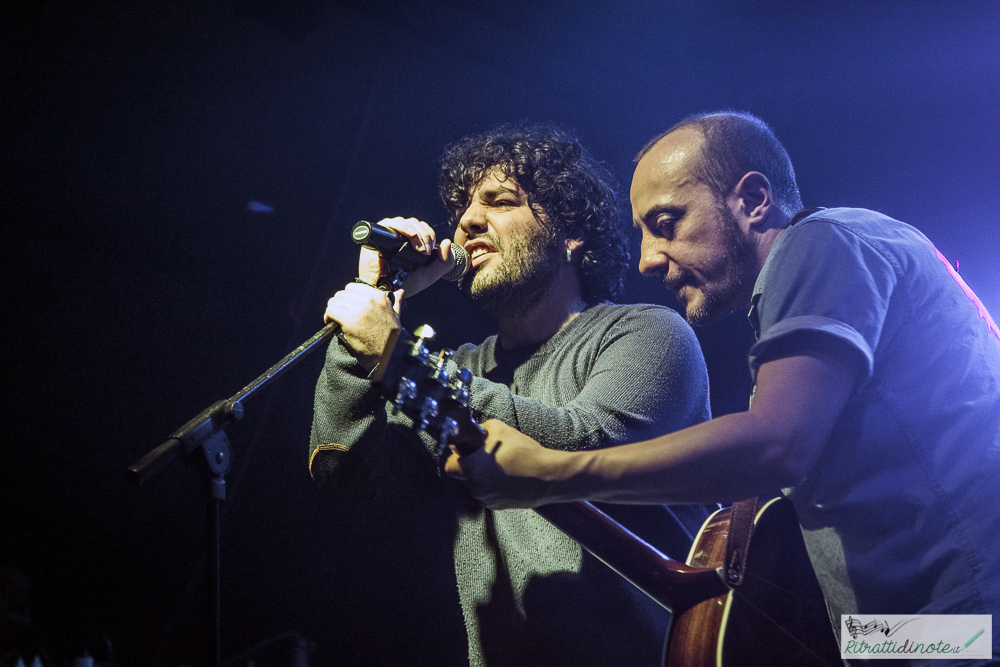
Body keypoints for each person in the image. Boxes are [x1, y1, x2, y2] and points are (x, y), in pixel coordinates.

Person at [445, 112, 1000, 665]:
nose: (646, 259)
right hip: (926, 633)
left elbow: (775, 444)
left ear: (754, 200)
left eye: (666, 222)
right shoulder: (832, 268)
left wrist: (549, 473)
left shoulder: (823, 243)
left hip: (973, 619)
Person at [310, 124, 714, 666]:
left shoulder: (646, 333)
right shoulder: (463, 368)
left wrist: (398, 356)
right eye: (462, 208)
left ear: (569, 232)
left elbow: (578, 447)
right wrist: (372, 310)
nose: (468, 220)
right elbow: (345, 467)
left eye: (500, 201)